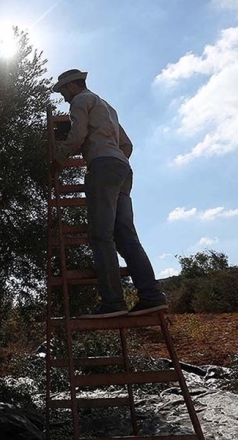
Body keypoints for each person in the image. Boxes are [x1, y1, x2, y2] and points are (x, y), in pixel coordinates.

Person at [51, 68, 166, 318]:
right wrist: (113, 160)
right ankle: (151, 295)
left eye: (63, 92)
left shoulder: (80, 101)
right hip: (123, 169)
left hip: (103, 168)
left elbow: (78, 135)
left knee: (101, 237)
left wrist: (58, 157)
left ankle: (113, 302)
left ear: (71, 86)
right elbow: (127, 145)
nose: (64, 98)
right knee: (126, 236)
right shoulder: (108, 107)